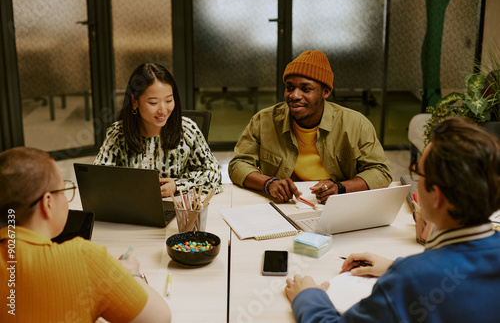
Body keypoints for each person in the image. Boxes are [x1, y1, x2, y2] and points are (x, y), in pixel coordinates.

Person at [285, 117, 500, 322]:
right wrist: (396, 267)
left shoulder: (409, 281)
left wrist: (308, 296)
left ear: (438, 196)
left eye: (419, 174)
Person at [0, 147, 171, 322]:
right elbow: (159, 318)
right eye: (62, 191)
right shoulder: (84, 257)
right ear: (47, 203)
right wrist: (130, 276)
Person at [228, 50, 391, 203]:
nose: (294, 95)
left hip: (336, 205)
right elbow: (238, 164)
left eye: (306, 89)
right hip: (284, 205)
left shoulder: (355, 124)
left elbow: (380, 171)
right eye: (290, 87)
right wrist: (269, 183)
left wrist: (341, 188)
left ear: (325, 92)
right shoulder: (264, 120)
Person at [95, 63, 222, 197]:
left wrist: (177, 186)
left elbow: (214, 173)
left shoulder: (186, 130)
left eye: (168, 100)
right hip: (133, 210)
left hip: (178, 209)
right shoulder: (118, 134)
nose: (162, 110)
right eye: (153, 103)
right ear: (134, 101)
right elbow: (98, 178)